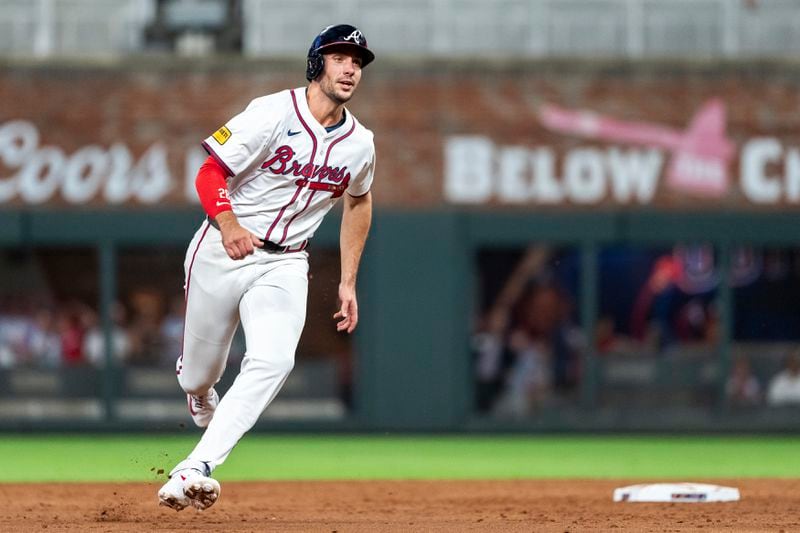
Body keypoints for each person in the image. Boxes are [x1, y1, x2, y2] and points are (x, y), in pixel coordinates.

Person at [158, 24, 375, 511]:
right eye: (340, 57)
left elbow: (359, 202)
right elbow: (209, 171)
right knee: (198, 376)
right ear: (317, 62)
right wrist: (229, 223)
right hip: (222, 248)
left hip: (286, 261)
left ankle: (196, 466)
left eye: (357, 62)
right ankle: (197, 391)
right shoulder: (273, 112)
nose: (349, 69)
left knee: (274, 359)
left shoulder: (360, 142)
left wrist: (348, 280)